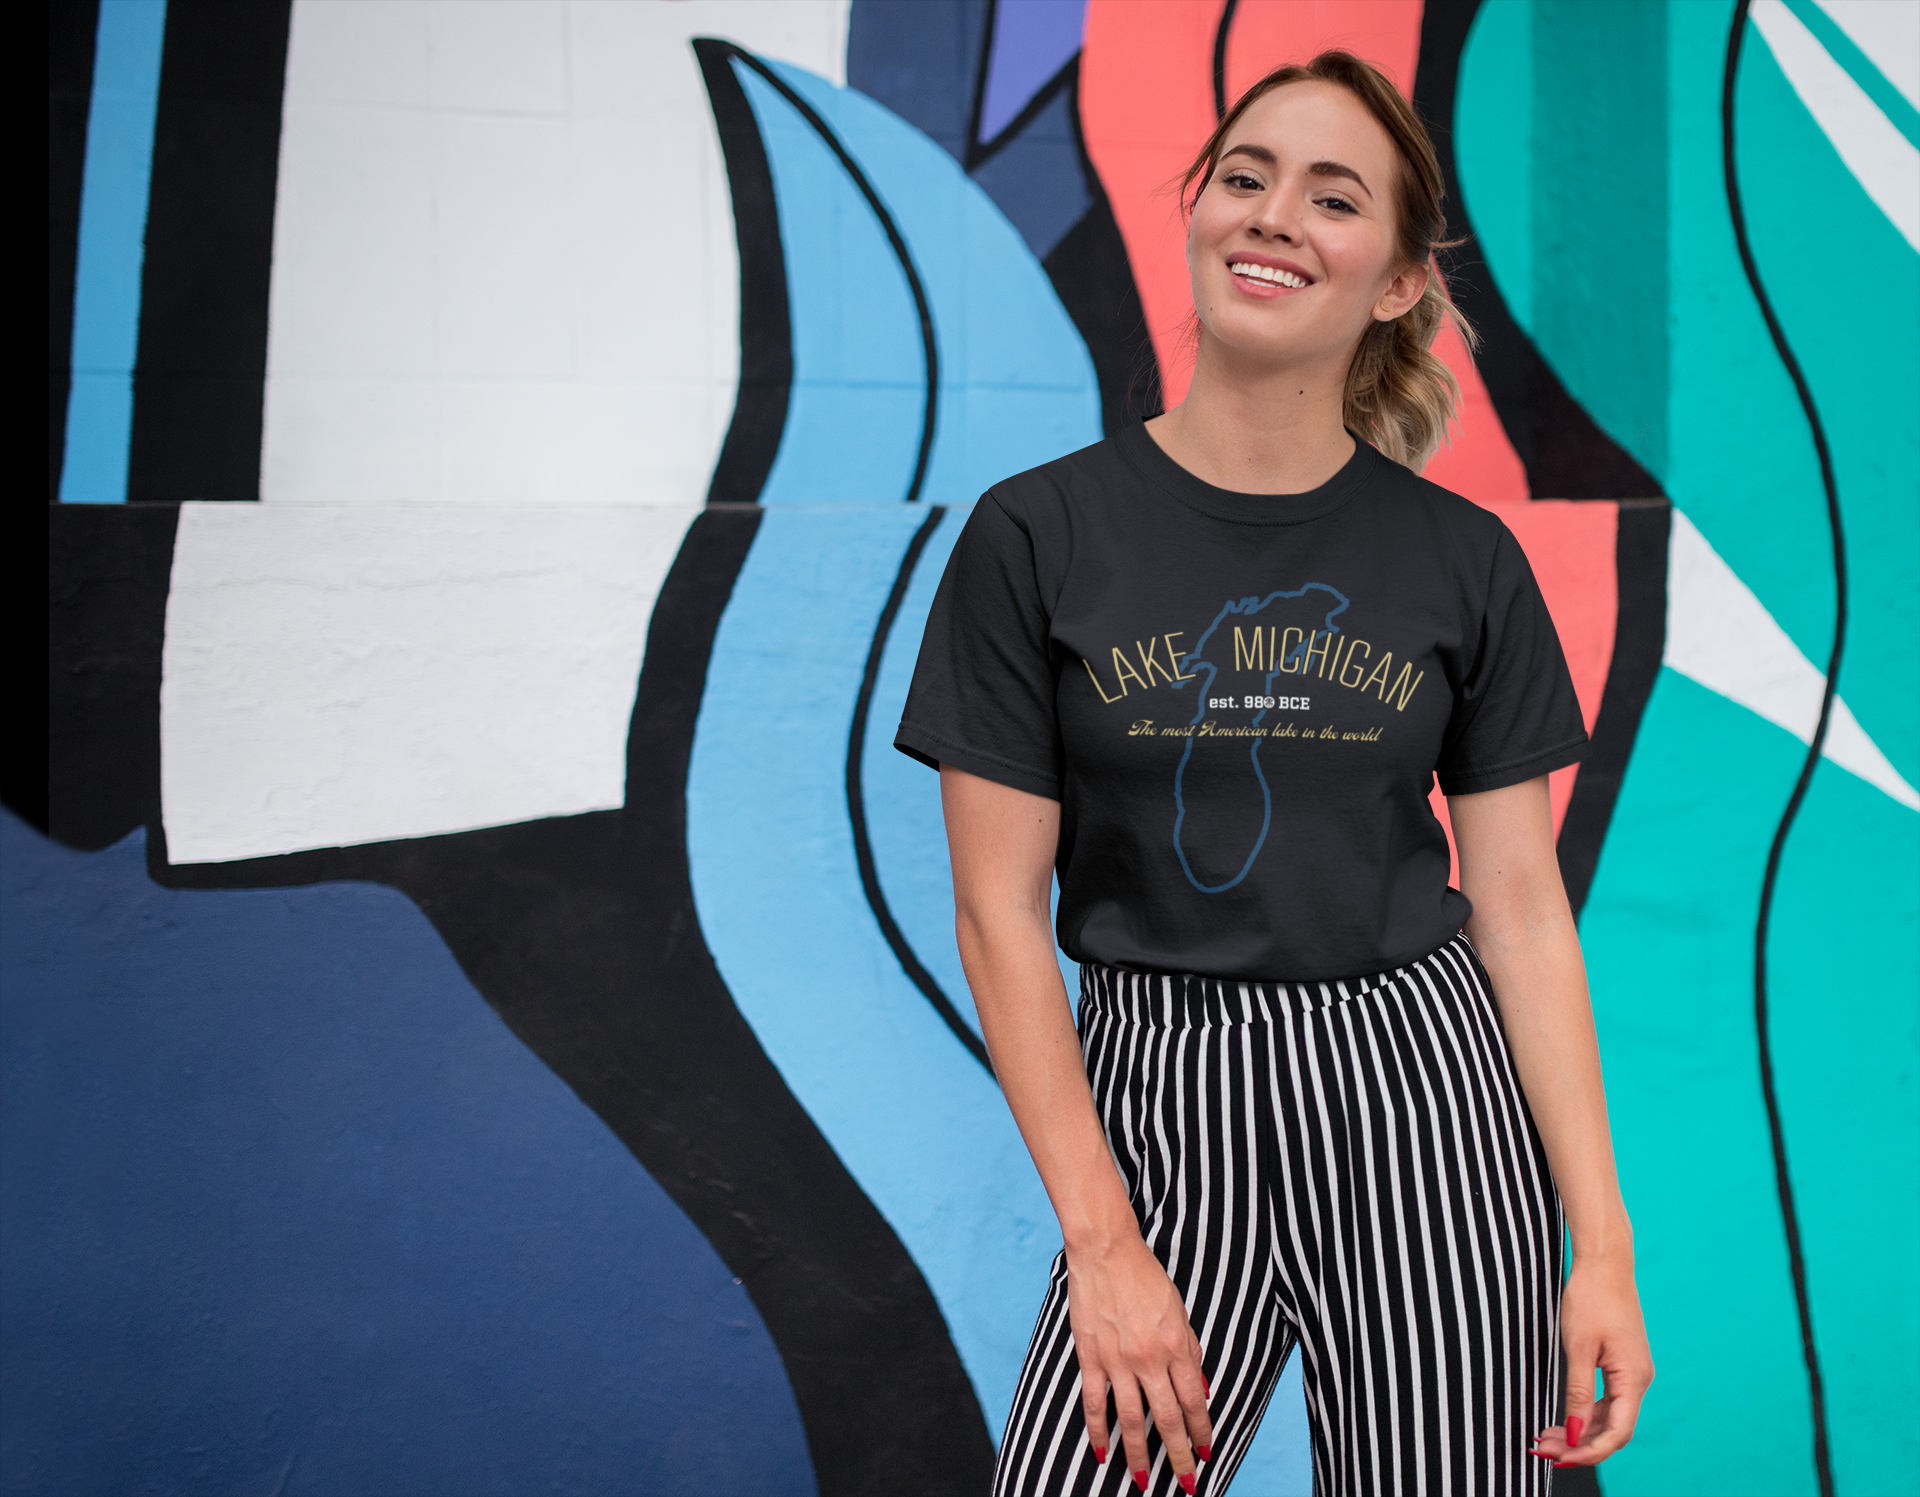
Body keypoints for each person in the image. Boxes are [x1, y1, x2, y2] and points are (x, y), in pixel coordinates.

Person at [894, 49, 1653, 1497]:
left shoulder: (1462, 561)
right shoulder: (1037, 536)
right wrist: (1102, 1245)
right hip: (1162, 1106)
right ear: (1195, 211)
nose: (1275, 215)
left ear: (1396, 284)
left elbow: (1520, 910)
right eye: (1245, 177)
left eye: (1333, 197)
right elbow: (997, 917)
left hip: (1428, 1104)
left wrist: (1600, 1243)